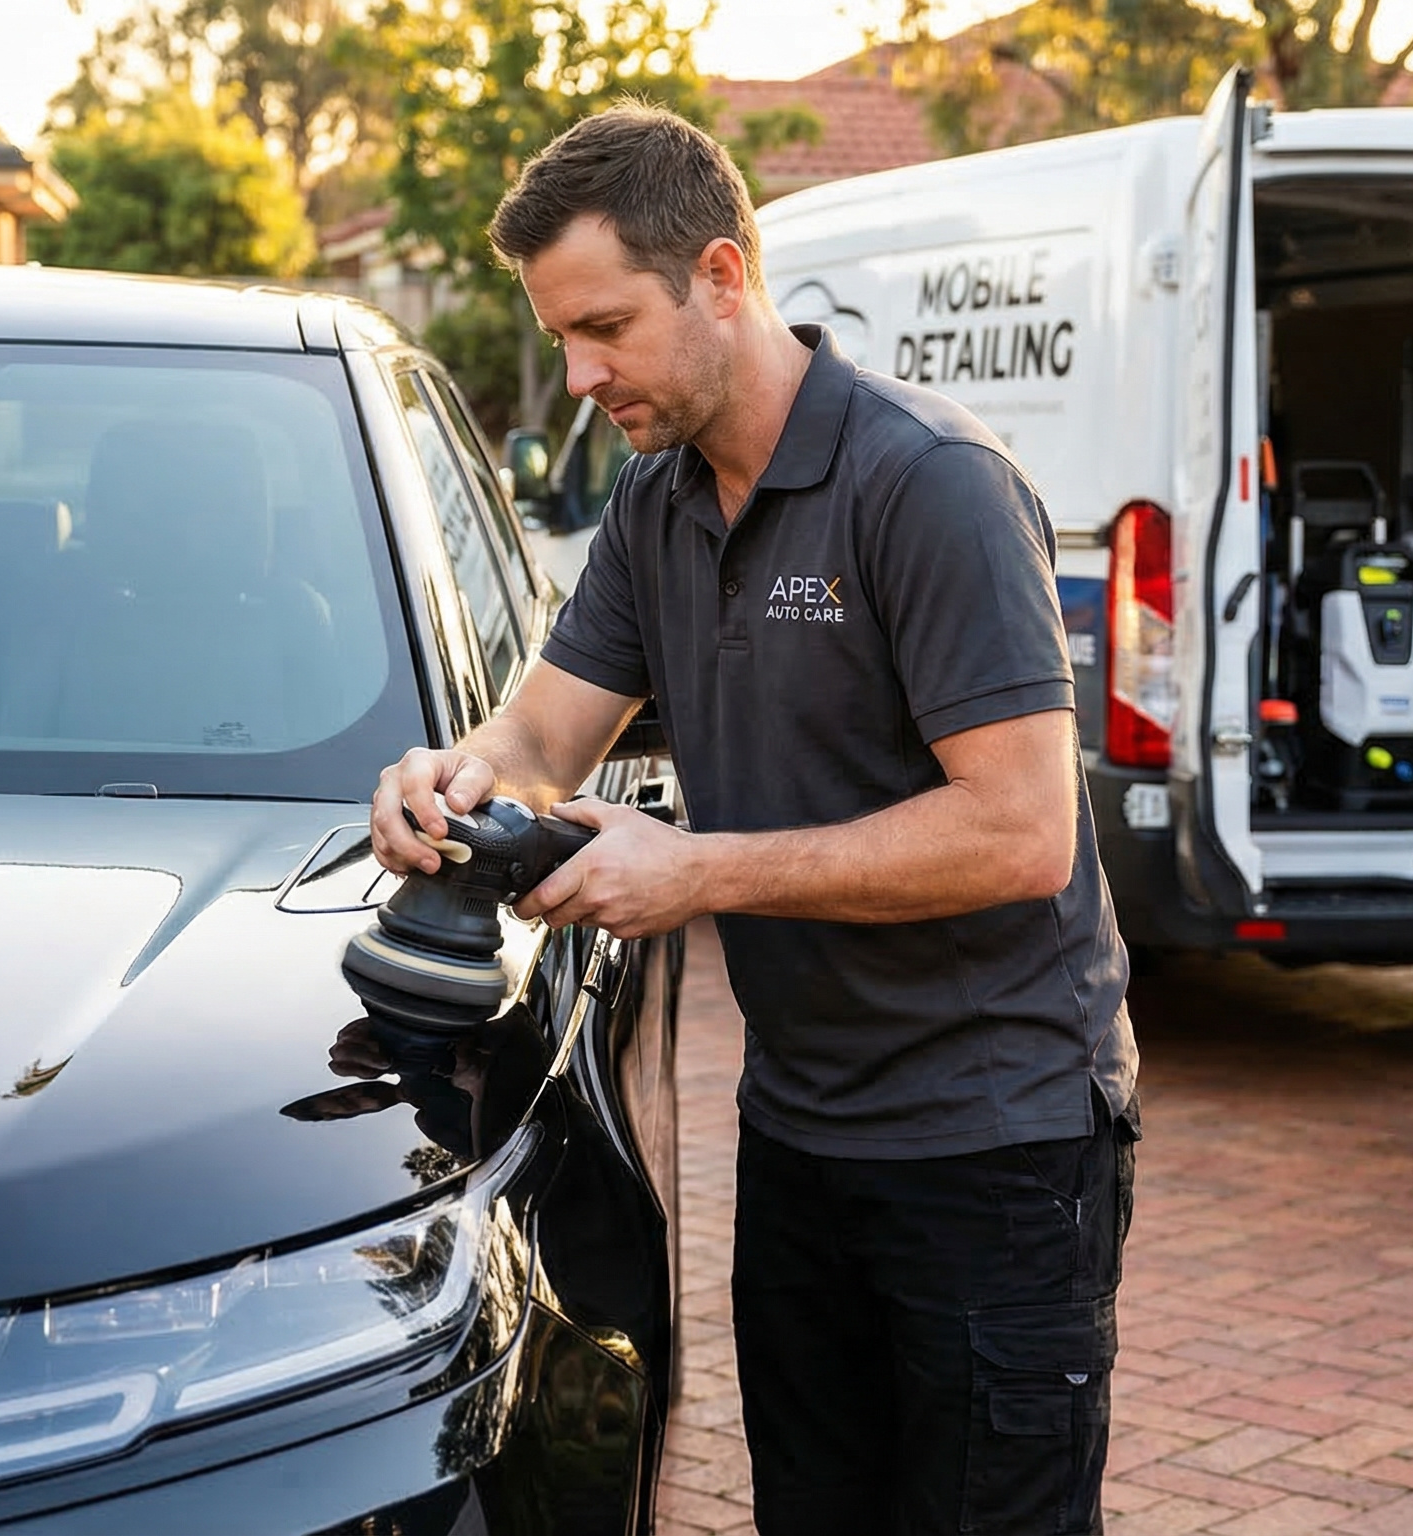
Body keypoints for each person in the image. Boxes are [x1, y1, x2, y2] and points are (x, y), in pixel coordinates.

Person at [368, 102, 1138, 1536]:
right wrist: (444, 782)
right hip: (803, 1131)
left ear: (723, 275)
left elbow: (1019, 832)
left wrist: (696, 872)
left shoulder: (929, 485)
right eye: (561, 340)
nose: (583, 375)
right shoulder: (658, 505)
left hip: (995, 1142)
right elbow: (542, 738)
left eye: (608, 326)